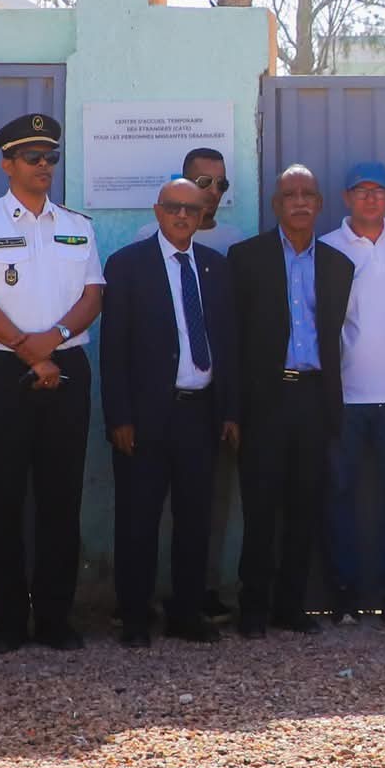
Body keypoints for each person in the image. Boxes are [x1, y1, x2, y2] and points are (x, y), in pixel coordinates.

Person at [0, 113, 104, 653]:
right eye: (33, 158)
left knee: (61, 500)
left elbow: (92, 296)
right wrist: (27, 350)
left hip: (65, 368)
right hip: (1, 372)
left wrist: (55, 339)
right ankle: (11, 621)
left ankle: (57, 619)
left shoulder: (78, 224)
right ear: (7, 163)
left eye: (51, 158)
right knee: (4, 499)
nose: (44, 167)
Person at [102, 178, 239, 647]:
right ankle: (135, 618)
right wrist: (118, 416)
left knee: (195, 519)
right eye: (174, 208)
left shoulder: (216, 268)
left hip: (200, 414)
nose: (183, 216)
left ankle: (186, 614)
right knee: (138, 519)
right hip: (144, 417)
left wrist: (229, 411)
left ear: (203, 216)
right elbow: (114, 348)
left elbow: (228, 345)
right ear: (158, 212)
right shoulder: (127, 265)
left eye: (192, 209)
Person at [229, 165, 353, 638]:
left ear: (320, 204)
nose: (300, 201)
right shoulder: (246, 258)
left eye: (308, 194)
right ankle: (254, 608)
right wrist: (234, 410)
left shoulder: (340, 265)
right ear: (276, 205)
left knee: (304, 506)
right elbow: (233, 340)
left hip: (313, 399)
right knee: (260, 507)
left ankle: (291, 606)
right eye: (290, 194)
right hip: (265, 400)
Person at [134, 146, 246, 626]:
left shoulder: (231, 246)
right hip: (155, 404)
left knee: (203, 509)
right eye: (203, 183)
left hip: (205, 404)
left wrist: (231, 407)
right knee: (142, 511)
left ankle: (196, 597)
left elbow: (232, 334)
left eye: (219, 185)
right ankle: (136, 605)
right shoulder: (143, 246)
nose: (211, 193)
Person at [320, 161, 385, 625]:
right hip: (344, 396)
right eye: (360, 190)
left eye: (378, 190)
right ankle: (343, 595)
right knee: (339, 493)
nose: (369, 198)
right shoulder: (327, 248)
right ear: (345, 198)